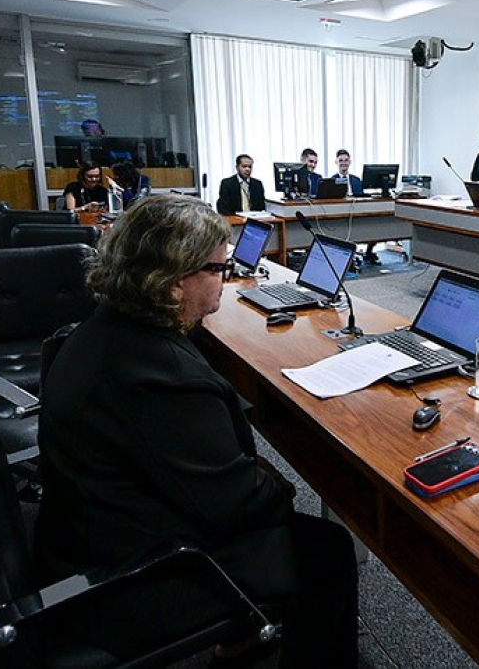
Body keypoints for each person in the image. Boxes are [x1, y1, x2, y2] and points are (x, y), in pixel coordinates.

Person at [34, 194, 359, 667]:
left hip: (87, 536)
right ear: (171, 283)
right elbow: (236, 505)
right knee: (327, 550)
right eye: (219, 269)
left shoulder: (106, 330)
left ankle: (242, 639)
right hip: (128, 578)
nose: (225, 279)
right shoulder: (160, 378)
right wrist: (279, 481)